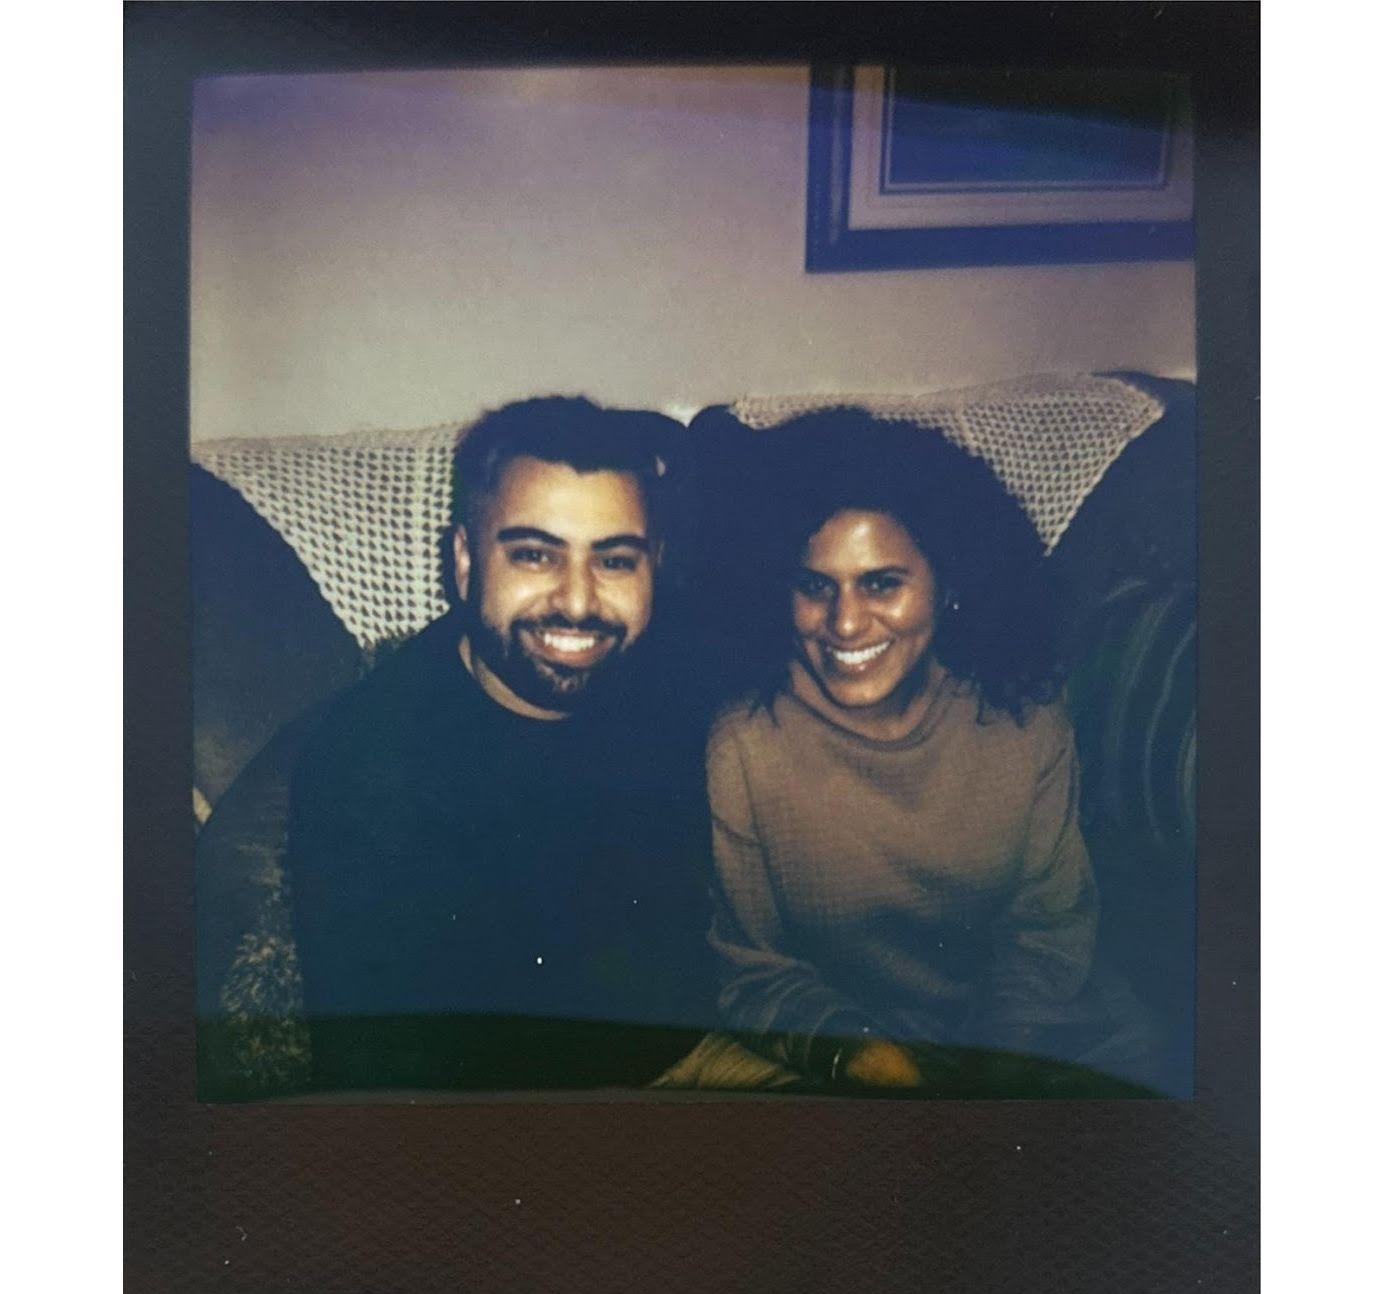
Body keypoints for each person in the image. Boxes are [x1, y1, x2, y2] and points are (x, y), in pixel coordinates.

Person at [674, 408, 1161, 1097]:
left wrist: (997, 1069)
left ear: (949, 585)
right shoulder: (743, 747)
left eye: (881, 583)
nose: (845, 623)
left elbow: (1048, 931)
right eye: (815, 586)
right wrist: (874, 1064)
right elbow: (754, 972)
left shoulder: (1025, 717)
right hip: (852, 1058)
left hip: (1047, 1039)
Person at [288, 396, 715, 1092]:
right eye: (535, 556)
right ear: (464, 561)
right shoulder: (371, 766)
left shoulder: (673, 678)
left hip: (707, 1059)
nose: (577, 602)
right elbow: (382, 1074)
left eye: (614, 561)